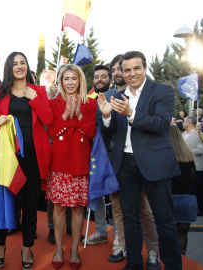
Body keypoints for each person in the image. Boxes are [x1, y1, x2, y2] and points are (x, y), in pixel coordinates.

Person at [98, 51, 182, 270]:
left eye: (136, 68)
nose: (131, 73)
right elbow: (110, 136)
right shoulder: (115, 97)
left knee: (164, 220)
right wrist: (106, 117)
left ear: (145, 68)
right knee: (130, 218)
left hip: (155, 164)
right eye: (127, 70)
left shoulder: (162, 91)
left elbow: (161, 124)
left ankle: (173, 265)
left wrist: (131, 113)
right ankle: (134, 262)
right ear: (122, 73)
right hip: (124, 164)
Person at [0, 51, 52, 269]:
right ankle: (0, 244)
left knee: (30, 203)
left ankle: (27, 247)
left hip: (33, 156)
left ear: (27, 66)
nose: (19, 66)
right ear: (9, 68)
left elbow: (48, 119)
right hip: (8, 156)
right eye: (15, 63)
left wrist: (34, 100)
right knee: (4, 202)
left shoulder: (39, 91)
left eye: (22, 63)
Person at [47, 64, 96, 270]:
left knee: (77, 208)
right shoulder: (53, 103)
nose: (69, 83)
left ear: (80, 81)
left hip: (79, 163)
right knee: (58, 208)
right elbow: (51, 131)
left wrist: (80, 117)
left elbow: (92, 132)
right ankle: (59, 249)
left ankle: (75, 249)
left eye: (73, 79)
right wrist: (67, 115)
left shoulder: (90, 104)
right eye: (65, 79)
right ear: (60, 81)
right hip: (58, 163)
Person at [84, 64, 112, 247]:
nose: (100, 80)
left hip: (113, 154)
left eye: (103, 76)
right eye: (97, 77)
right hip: (94, 154)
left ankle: (119, 237)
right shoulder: (89, 100)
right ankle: (101, 231)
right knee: (97, 195)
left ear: (110, 78)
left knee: (116, 199)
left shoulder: (116, 97)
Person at [169, 125, 197, 255]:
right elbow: (193, 179)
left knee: (167, 233)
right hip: (188, 199)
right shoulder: (188, 155)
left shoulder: (165, 157)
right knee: (182, 234)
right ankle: (182, 258)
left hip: (170, 198)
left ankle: (169, 260)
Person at [182, 116, 203, 217]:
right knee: (189, 188)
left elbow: (201, 150)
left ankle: (200, 208)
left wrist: (186, 152)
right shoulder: (184, 134)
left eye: (184, 121)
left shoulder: (199, 135)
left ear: (189, 123)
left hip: (197, 166)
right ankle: (190, 208)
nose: (183, 123)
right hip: (186, 166)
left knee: (197, 189)